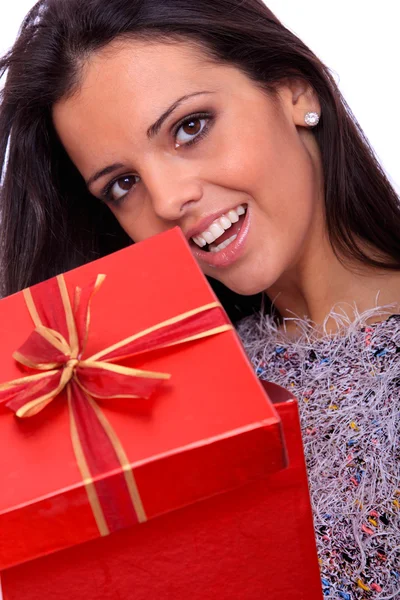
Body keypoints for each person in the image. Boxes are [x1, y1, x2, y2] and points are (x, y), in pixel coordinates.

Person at [0, 0, 399, 597]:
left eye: (190, 126)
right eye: (122, 184)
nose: (165, 200)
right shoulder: (150, 400)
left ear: (294, 90)